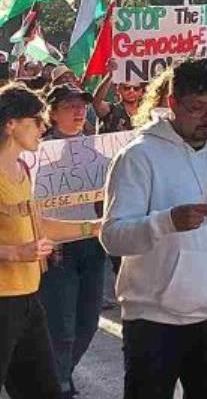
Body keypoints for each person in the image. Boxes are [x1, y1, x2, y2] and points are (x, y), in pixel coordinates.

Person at [100, 59, 207, 399]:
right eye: (196, 108)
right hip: (154, 322)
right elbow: (112, 236)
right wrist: (166, 221)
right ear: (172, 104)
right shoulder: (138, 157)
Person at [0, 83, 102, 399]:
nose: (44, 128)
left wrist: (94, 228)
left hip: (29, 300)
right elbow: (20, 245)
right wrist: (14, 252)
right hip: (2, 303)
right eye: (38, 120)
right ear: (11, 124)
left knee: (44, 391)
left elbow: (39, 225)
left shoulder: (22, 168)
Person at [39, 84, 109, 398]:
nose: (79, 111)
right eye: (69, 106)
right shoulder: (38, 151)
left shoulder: (99, 148)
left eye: (82, 106)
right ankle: (60, 385)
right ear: (52, 113)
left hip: (92, 243)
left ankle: (59, 375)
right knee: (61, 326)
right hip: (57, 247)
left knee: (88, 321)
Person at [92, 63, 145, 134]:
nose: (131, 91)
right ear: (118, 90)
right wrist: (110, 76)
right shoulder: (111, 110)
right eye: (127, 88)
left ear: (141, 92)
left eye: (136, 89)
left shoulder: (147, 112)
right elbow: (96, 102)